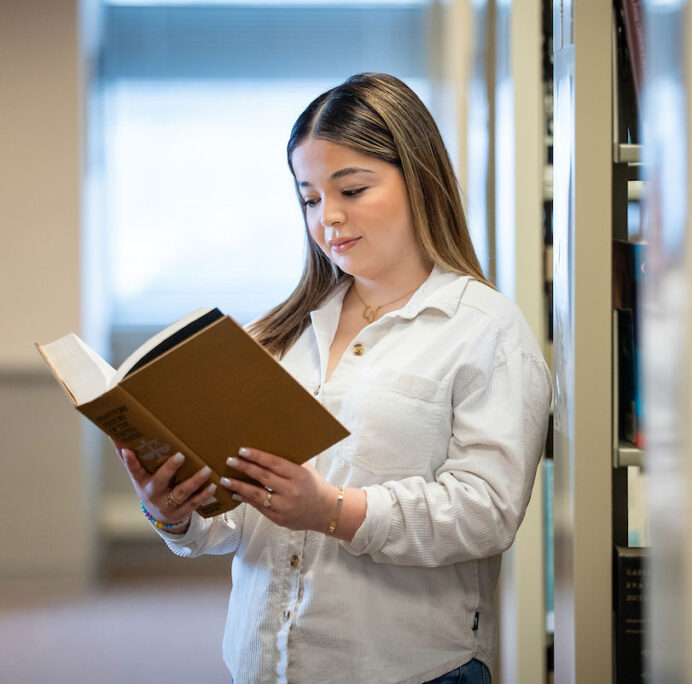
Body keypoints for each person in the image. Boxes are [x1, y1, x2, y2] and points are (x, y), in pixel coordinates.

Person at [115, 72, 552, 684]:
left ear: (420, 179)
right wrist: (176, 512)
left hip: (410, 669)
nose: (329, 220)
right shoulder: (282, 334)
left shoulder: (485, 329)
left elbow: (488, 512)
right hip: (266, 663)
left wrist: (334, 510)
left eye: (352, 189)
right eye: (310, 198)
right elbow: (243, 519)